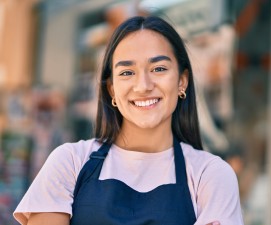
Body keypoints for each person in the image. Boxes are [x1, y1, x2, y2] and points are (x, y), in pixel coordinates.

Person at [13, 16, 244, 225]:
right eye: (127, 72)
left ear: (182, 81)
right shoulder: (70, 163)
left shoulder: (210, 175)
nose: (143, 85)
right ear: (112, 90)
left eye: (159, 68)